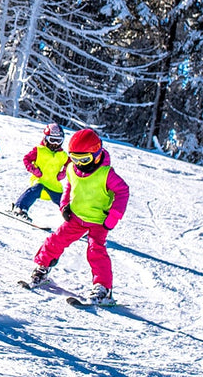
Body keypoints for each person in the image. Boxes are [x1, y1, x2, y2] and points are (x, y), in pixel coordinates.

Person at [26, 128, 129, 305]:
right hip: (76, 217)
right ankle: (42, 268)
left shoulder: (106, 174)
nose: (79, 164)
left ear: (96, 154)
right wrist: (64, 205)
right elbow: (68, 187)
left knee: (96, 251)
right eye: (75, 159)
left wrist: (113, 217)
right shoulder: (72, 169)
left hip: (98, 221)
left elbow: (123, 191)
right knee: (55, 240)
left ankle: (103, 288)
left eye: (84, 160)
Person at [9, 122, 68, 222]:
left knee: (64, 202)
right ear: (45, 138)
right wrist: (34, 170)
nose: (55, 144)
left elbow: (70, 164)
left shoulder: (62, 154)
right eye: (52, 140)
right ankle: (19, 208)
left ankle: (77, 222)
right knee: (33, 191)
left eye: (58, 141)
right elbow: (26, 159)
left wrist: (63, 173)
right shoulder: (39, 150)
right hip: (39, 180)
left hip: (54, 184)